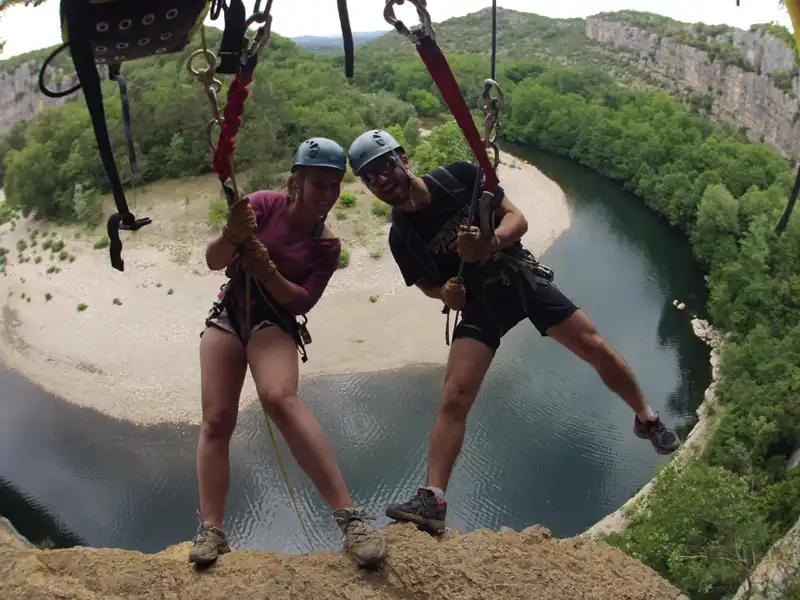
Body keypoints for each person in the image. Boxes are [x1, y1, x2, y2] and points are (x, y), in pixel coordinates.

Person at [347, 129, 682, 535]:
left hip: (517, 276)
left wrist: (489, 245)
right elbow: (428, 286)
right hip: (479, 302)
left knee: (593, 345)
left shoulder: (457, 177)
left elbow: (517, 220)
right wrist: (447, 294)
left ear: (401, 158)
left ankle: (647, 419)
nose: (380, 180)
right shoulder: (401, 235)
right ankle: (432, 499)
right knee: (455, 394)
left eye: (383, 166)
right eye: (369, 177)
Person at [190, 137, 386, 568]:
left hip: (272, 322)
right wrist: (233, 234)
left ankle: (350, 518)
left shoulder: (326, 247)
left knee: (279, 398)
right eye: (320, 184)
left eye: (335, 186)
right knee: (217, 419)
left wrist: (268, 271)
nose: (328, 195)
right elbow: (214, 260)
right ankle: (212, 529)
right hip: (230, 311)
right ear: (296, 181)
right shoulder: (261, 206)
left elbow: (299, 302)